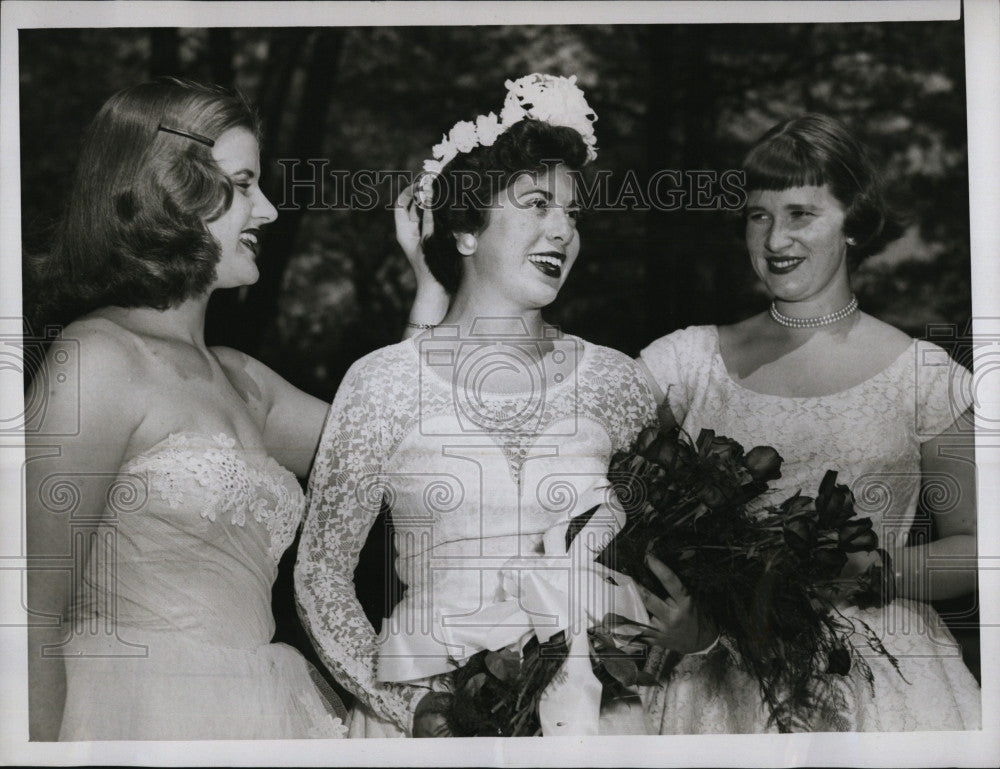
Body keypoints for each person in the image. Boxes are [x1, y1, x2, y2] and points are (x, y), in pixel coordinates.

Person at [295, 74, 715, 738]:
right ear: (465, 226)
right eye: (538, 203)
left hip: (599, 723)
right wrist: (420, 708)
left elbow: (689, 552)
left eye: (573, 213)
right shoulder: (381, 384)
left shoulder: (617, 381)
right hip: (430, 726)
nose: (563, 231)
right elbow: (319, 578)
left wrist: (693, 630)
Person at [25, 78, 348, 740]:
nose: (269, 212)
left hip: (264, 716)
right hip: (132, 718)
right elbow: (26, 616)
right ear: (171, 190)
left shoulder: (244, 381)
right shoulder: (98, 360)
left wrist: (433, 282)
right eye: (245, 183)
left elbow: (396, 442)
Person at [638, 114, 981, 732]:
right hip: (712, 675)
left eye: (801, 213)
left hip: (882, 682)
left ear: (854, 222)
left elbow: (981, 547)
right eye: (758, 215)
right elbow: (582, 464)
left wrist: (876, 570)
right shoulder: (686, 362)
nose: (774, 240)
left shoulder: (925, 376)